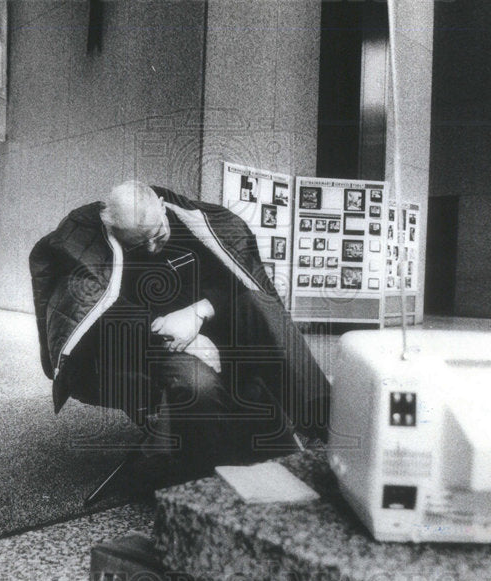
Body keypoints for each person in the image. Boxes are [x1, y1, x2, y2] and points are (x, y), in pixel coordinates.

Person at [29, 181, 330, 478]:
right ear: (114, 232)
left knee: (260, 306)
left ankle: (322, 423)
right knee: (198, 386)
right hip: (147, 342)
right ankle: (207, 478)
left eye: (157, 234)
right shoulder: (93, 244)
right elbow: (99, 319)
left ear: (162, 206)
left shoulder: (196, 226)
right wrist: (181, 338)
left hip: (207, 323)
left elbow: (239, 282)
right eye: (137, 243)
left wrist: (199, 311)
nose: (151, 248)